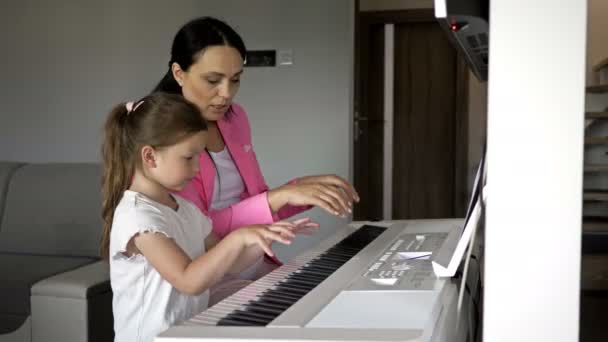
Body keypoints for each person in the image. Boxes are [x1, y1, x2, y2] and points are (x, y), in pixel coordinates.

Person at [99, 92, 315, 342]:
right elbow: (188, 280)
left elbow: (231, 265)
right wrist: (238, 238)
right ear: (150, 156)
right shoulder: (137, 217)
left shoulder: (184, 208)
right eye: (188, 157)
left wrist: (266, 236)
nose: (197, 168)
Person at [153, 16, 360, 264]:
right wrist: (281, 196)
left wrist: (302, 190)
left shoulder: (235, 118)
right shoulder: (157, 132)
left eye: (236, 79)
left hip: (250, 262)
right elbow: (194, 227)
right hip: (203, 274)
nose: (226, 94)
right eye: (212, 81)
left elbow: (256, 202)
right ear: (178, 73)